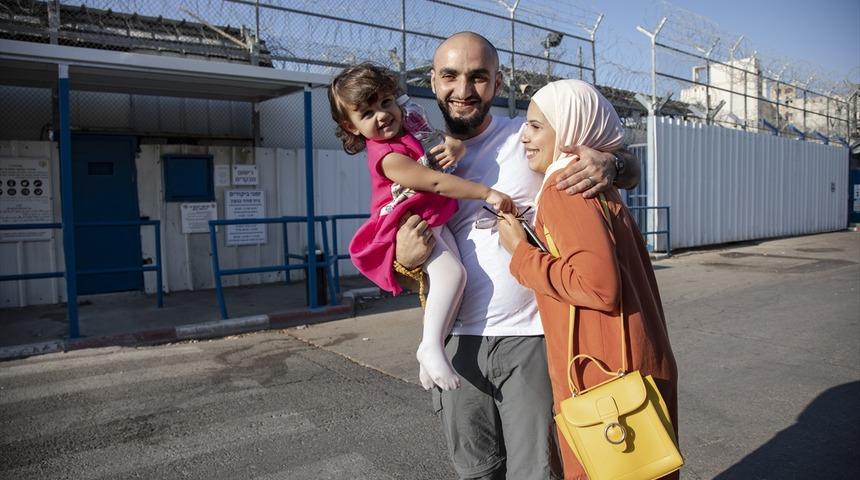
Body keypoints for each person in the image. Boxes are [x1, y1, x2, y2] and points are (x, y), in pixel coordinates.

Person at [393, 32, 642, 479]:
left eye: (478, 77)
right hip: (455, 342)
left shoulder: (527, 138)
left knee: (537, 472)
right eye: (450, 76)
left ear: (498, 82)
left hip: (532, 339)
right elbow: (397, 252)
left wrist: (614, 165)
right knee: (476, 471)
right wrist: (405, 259)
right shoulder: (411, 158)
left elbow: (622, 159)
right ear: (432, 81)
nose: (463, 90)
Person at [496, 79, 679, 479]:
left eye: (536, 126)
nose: (524, 137)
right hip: (630, 365)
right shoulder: (599, 184)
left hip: (601, 377)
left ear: (571, 130)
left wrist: (521, 253)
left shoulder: (566, 188)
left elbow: (598, 286)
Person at [328, 63, 513, 391]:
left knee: (456, 281)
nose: (382, 115)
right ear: (350, 126)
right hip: (411, 223)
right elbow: (436, 182)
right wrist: (487, 192)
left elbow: (438, 143)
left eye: (385, 103)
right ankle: (429, 345)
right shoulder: (387, 156)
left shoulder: (406, 131)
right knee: (451, 276)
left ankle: (433, 349)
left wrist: (453, 144)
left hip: (431, 219)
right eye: (367, 113)